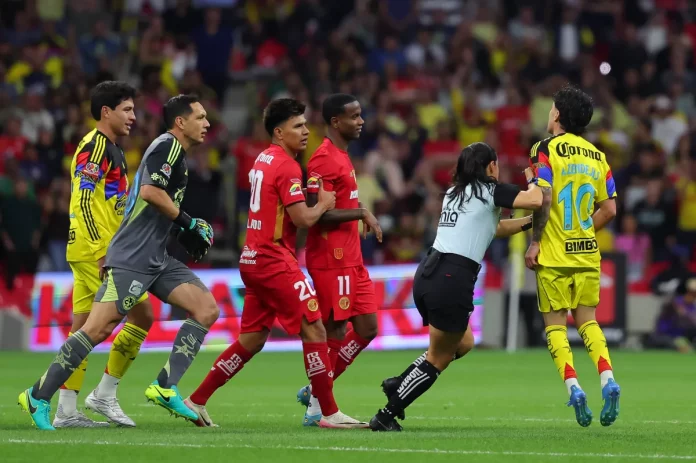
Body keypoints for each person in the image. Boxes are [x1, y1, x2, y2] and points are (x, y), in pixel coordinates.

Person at [18, 94, 219, 431]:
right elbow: (149, 193)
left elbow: (143, 203)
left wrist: (180, 229)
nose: (207, 123)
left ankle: (164, 385)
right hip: (131, 258)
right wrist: (186, 222)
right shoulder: (167, 147)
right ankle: (39, 395)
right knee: (96, 328)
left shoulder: (173, 155)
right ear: (180, 122)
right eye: (200, 117)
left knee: (206, 308)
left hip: (155, 257)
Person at [184, 98, 367, 429]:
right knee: (315, 327)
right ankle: (326, 412)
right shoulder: (287, 166)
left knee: (252, 339)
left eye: (305, 124)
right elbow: (303, 218)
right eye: (298, 126)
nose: (306, 131)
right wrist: (323, 203)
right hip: (273, 259)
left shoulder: (262, 159)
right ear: (279, 132)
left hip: (251, 258)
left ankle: (196, 400)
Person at [370, 142, 542, 431]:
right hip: (452, 278)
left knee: (463, 343)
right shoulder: (490, 190)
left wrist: (528, 223)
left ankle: (400, 383)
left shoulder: (455, 192)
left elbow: (494, 228)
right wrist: (536, 176)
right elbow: (535, 199)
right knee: (439, 357)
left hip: (428, 273)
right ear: (491, 166)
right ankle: (386, 415)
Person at [54, 81, 153, 429]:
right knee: (142, 315)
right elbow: (82, 200)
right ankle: (104, 394)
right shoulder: (95, 146)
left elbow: (112, 206)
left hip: (94, 250)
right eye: (127, 109)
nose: (133, 116)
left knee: (82, 330)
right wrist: (101, 251)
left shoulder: (113, 149)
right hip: (96, 251)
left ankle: (66, 410)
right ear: (106, 112)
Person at [524, 84, 620, 428]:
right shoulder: (598, 157)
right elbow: (609, 209)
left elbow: (542, 197)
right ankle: (608, 379)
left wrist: (535, 241)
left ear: (557, 114)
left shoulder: (544, 149)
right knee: (588, 322)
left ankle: (574, 387)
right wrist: (583, 231)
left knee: (555, 326)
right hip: (587, 253)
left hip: (553, 253)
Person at [295, 93, 383, 427]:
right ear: (335, 121)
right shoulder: (322, 159)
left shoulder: (342, 155)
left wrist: (358, 212)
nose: (361, 121)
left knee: (368, 328)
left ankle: (318, 389)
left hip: (351, 257)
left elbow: (339, 204)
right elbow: (316, 212)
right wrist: (361, 213)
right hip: (332, 258)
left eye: (360, 115)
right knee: (334, 328)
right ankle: (320, 407)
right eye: (354, 116)